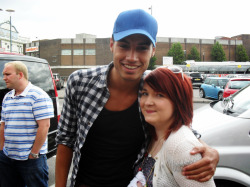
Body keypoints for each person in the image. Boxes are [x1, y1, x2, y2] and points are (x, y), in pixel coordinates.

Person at [55, 9, 219, 187]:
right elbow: (65, 140)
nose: (132, 57)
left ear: (153, 50)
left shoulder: (153, 88)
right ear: (112, 44)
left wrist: (208, 150)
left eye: (142, 48)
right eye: (124, 45)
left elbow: (178, 127)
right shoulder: (80, 82)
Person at [128, 67, 216, 187]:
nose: (148, 102)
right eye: (145, 93)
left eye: (159, 95)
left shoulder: (181, 147)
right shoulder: (152, 134)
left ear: (178, 101)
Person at [0, 61, 54, 187]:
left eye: (7, 74)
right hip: (7, 157)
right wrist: (1, 150)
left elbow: (44, 127)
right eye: (3, 74)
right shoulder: (8, 97)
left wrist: (34, 153)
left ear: (20, 75)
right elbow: (3, 125)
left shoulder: (38, 96)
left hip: (30, 160)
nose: (4, 78)